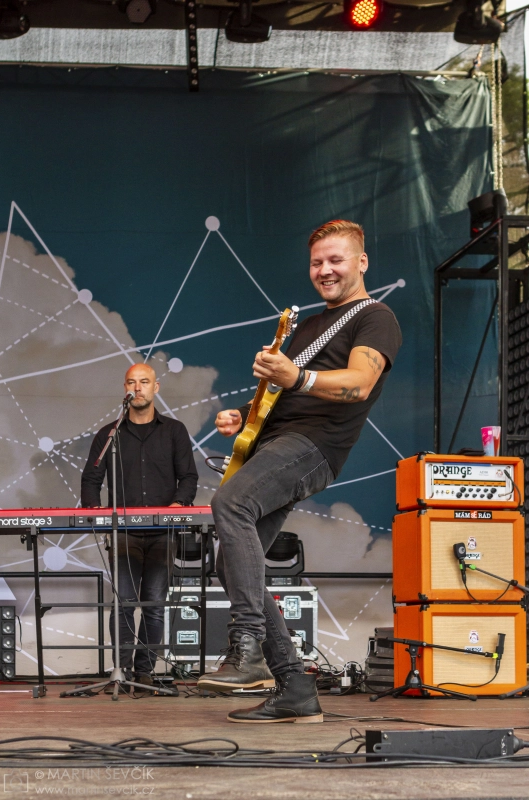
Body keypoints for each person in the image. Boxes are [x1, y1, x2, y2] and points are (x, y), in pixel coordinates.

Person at [198, 220, 402, 723]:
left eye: (336, 260)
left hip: (315, 445)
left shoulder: (376, 317)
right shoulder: (309, 326)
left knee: (231, 503)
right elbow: (282, 395)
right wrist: (242, 417)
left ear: (362, 262)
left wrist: (298, 375)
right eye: (316, 262)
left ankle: (247, 647)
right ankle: (294, 687)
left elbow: (358, 383)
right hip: (277, 442)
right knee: (229, 565)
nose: (325, 270)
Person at [81, 363, 198, 692]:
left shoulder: (174, 431)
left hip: (163, 533)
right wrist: (95, 512)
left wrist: (179, 505)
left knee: (154, 605)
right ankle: (122, 672)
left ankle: (144, 673)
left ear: (155, 387)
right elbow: (91, 479)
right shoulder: (109, 434)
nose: (138, 387)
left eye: (144, 381)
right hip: (123, 533)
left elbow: (189, 477)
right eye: (131, 382)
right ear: (125, 388)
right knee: (124, 604)